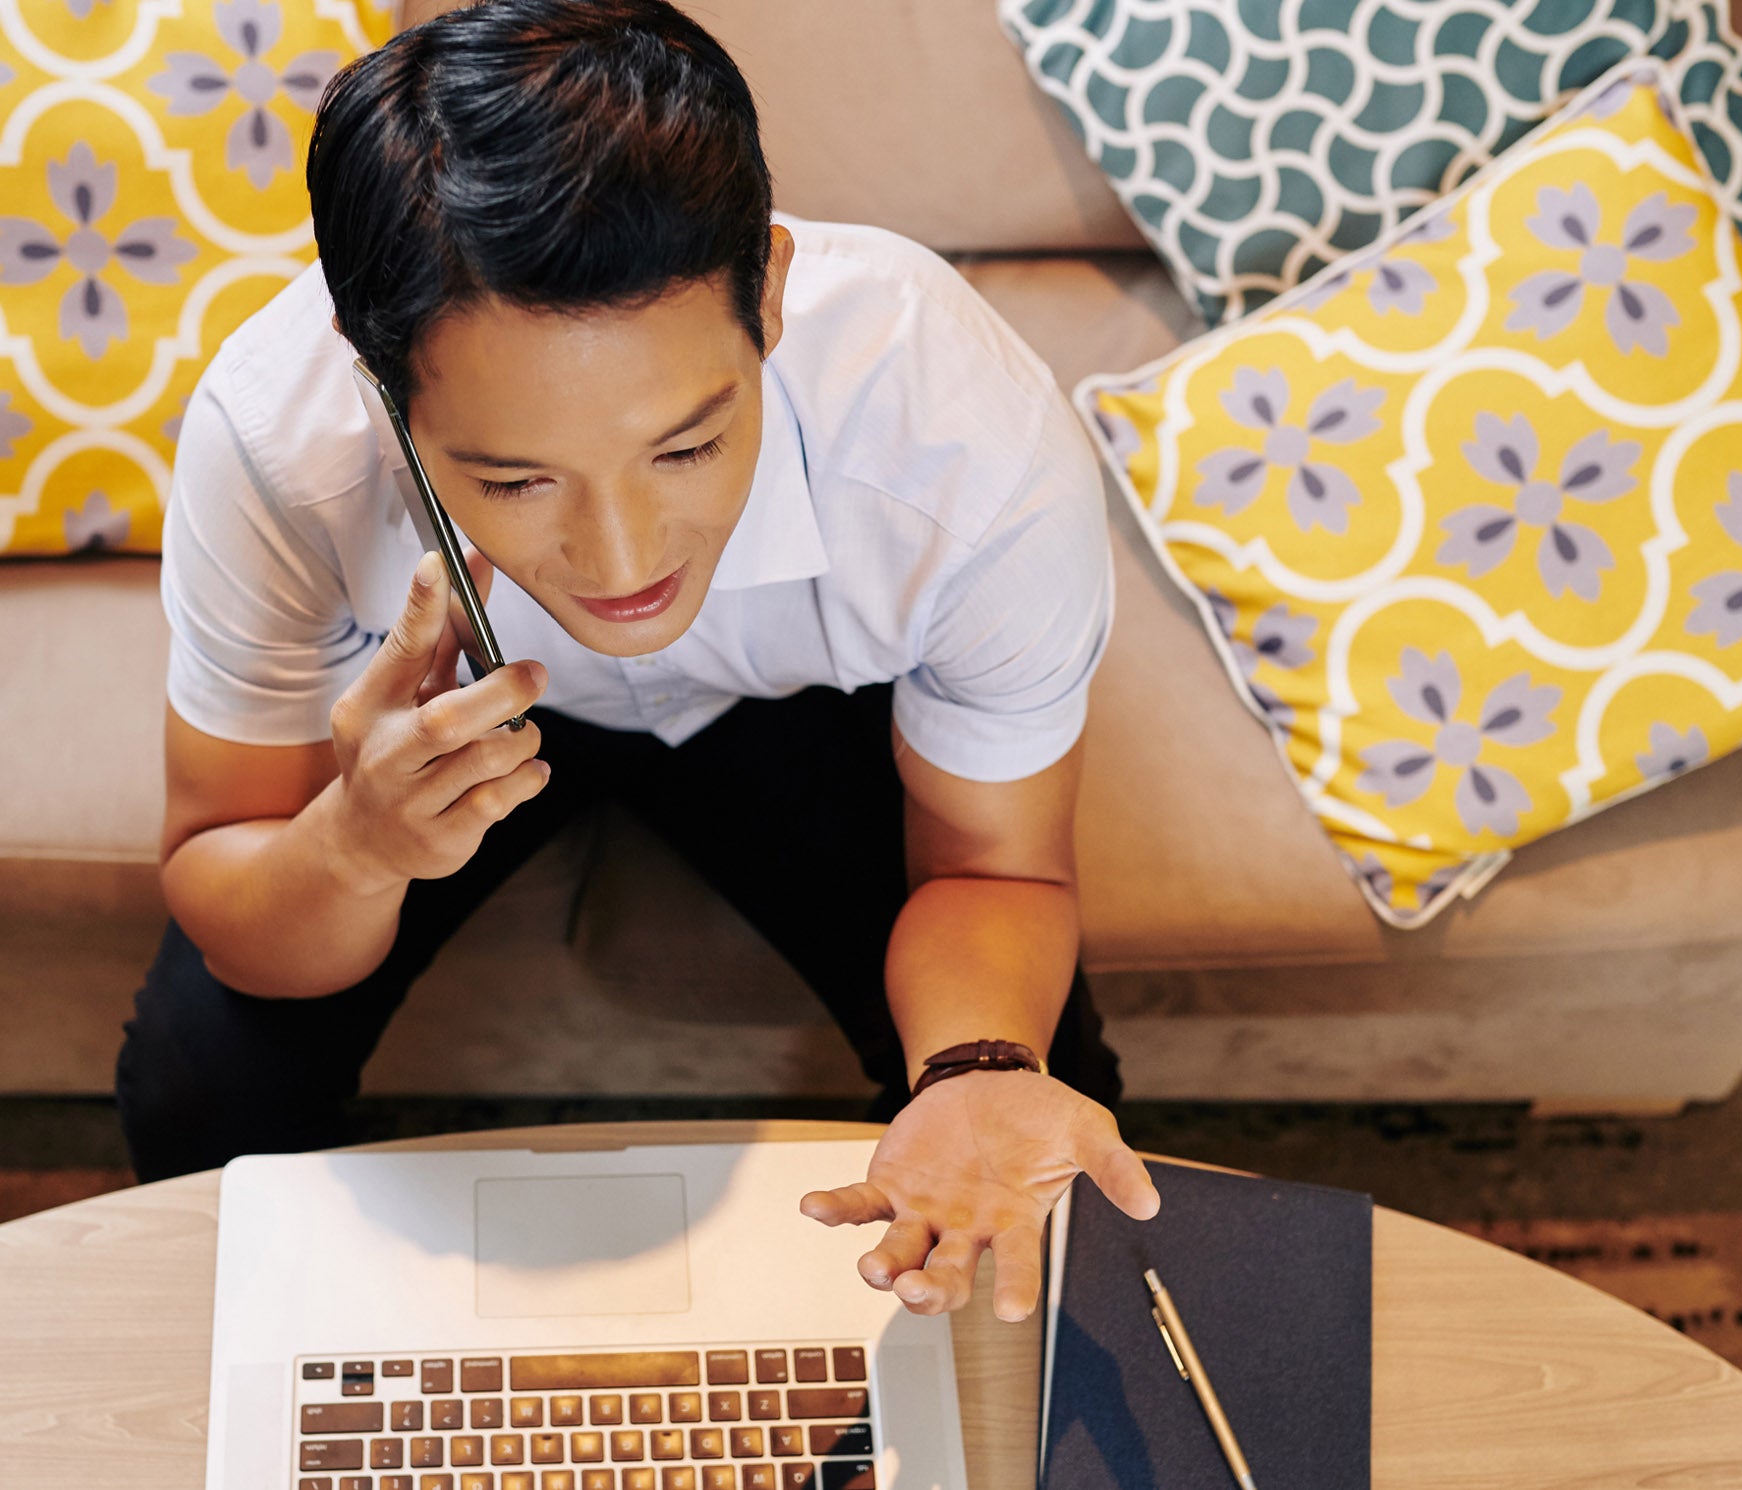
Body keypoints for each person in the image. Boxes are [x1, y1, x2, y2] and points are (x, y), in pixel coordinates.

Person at [114, 0, 1159, 1323]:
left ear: (768, 295)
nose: (619, 561)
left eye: (685, 446)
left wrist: (974, 1066)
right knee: (196, 1074)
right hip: (448, 721)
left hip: (807, 710)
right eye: (514, 476)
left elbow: (995, 865)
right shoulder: (275, 439)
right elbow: (229, 871)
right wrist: (357, 843)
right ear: (381, 386)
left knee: (1038, 1092)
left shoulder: (964, 444)